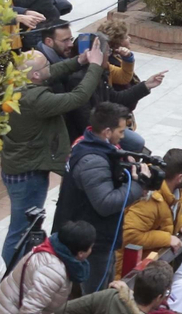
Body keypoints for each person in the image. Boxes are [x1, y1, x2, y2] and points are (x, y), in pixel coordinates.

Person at [0, 42, 107, 265]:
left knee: (25, 226)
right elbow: (77, 97)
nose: (50, 67)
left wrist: (79, 61)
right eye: (45, 65)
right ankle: (8, 275)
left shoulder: (16, 84)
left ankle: (21, 267)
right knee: (22, 228)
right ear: (36, 74)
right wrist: (95, 66)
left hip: (19, 166)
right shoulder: (36, 100)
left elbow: (48, 72)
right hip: (28, 174)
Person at [52, 101, 146, 292]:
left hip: (93, 235)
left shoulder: (89, 145)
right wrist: (137, 185)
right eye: (121, 131)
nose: (124, 135)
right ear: (107, 132)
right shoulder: (92, 160)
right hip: (90, 242)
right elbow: (106, 202)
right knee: (93, 296)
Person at [121, 147, 182, 268]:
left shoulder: (176, 191)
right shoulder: (149, 201)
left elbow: (168, 214)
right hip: (131, 270)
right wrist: (167, 239)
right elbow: (129, 235)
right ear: (180, 178)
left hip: (152, 264)